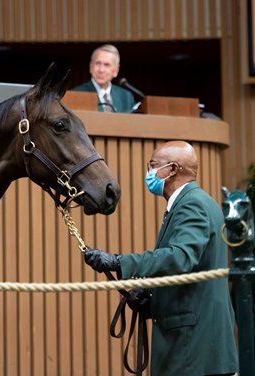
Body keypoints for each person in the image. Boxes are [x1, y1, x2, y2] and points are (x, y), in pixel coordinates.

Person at [84, 141, 238, 376]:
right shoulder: (195, 203)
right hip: (198, 349)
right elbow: (190, 274)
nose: (149, 172)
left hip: (193, 351)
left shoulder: (192, 204)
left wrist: (118, 262)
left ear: (173, 169)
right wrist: (150, 300)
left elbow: (180, 258)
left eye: (153, 165)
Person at [72, 44, 135, 113]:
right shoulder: (77, 94)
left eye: (107, 65)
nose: (101, 70)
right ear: (91, 67)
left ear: (116, 70)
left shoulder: (126, 97)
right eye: (98, 63)